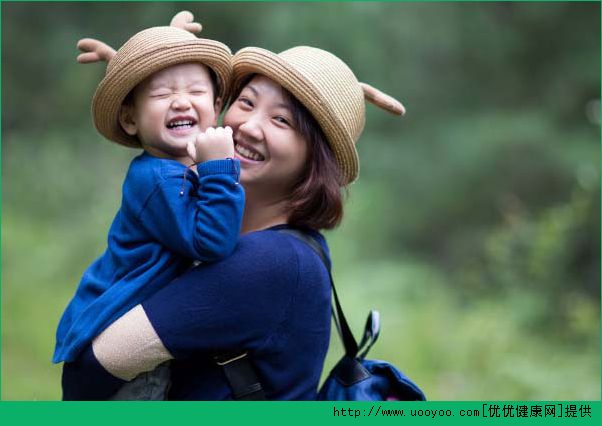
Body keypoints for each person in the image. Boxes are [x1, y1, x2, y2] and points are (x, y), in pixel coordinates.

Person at [61, 44, 406, 401]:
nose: (249, 126)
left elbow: (99, 363)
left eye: (281, 120)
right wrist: (145, 82)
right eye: (246, 102)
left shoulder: (271, 262)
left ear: (314, 160)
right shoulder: (273, 242)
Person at [53, 13, 245, 399]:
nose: (180, 101)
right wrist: (220, 168)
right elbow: (212, 243)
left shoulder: (175, 167)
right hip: (118, 349)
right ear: (129, 119)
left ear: (218, 104)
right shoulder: (157, 178)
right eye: (160, 94)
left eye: (196, 91)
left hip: (140, 336)